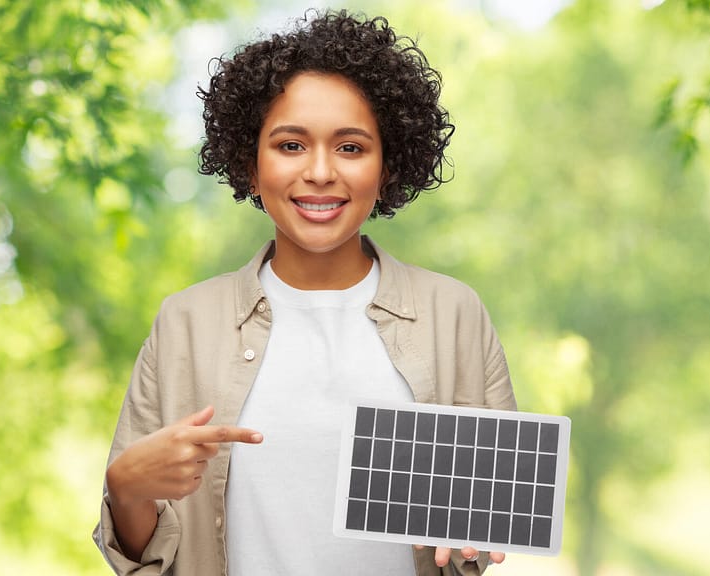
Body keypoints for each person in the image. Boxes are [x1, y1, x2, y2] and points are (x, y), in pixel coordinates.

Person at [93, 9, 516, 576]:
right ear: (250, 163)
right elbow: (144, 555)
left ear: (387, 167)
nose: (319, 172)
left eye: (350, 147)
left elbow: (489, 527)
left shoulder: (454, 315)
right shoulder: (185, 323)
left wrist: (476, 535)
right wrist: (125, 487)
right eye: (290, 145)